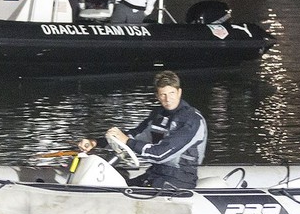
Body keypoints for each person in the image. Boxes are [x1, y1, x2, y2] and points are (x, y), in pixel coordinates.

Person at [78, 70, 206, 190]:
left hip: (180, 180)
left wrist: (127, 141)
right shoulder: (158, 115)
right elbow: (134, 135)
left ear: (179, 92)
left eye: (172, 93)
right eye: (163, 94)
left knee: (125, 192)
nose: (168, 99)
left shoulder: (192, 120)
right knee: (117, 185)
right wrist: (95, 142)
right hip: (156, 173)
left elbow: (160, 154)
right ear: (158, 96)